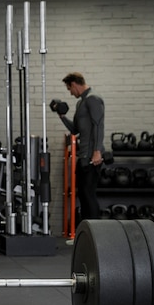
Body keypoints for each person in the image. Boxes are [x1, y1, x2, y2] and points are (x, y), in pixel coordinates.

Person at [57, 72, 105, 222]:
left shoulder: (93, 99)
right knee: (83, 195)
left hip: (92, 156)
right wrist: (62, 116)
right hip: (83, 156)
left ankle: (96, 233)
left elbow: (98, 126)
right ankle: (86, 234)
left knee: (88, 194)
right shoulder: (81, 103)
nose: (70, 93)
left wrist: (97, 152)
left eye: (69, 89)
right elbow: (75, 130)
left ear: (74, 84)